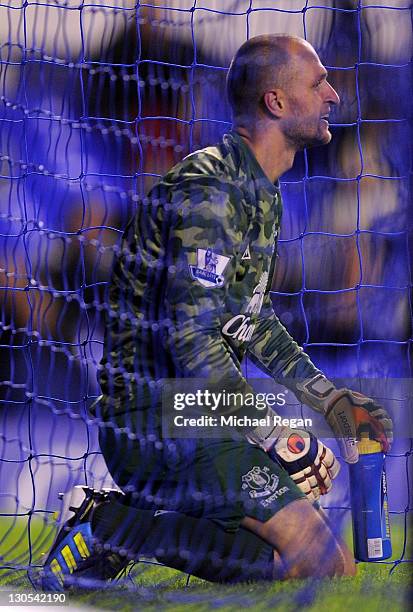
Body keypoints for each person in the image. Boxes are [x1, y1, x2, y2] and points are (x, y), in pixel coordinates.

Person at [42, 34, 393, 590]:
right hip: (156, 420)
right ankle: (108, 526)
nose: (332, 95)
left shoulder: (261, 193)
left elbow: (250, 320)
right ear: (276, 103)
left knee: (299, 563)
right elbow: (195, 341)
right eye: (317, 83)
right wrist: (277, 435)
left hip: (196, 416)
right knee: (323, 566)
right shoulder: (212, 192)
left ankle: (110, 525)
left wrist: (330, 400)